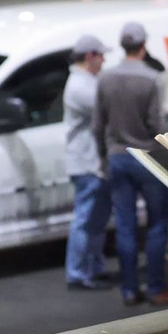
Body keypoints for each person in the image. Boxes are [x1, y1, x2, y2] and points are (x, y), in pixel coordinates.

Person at [93, 21, 168, 307]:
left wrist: (104, 157)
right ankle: (157, 287)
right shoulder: (151, 79)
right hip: (148, 159)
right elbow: (155, 125)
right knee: (157, 225)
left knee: (125, 226)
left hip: (118, 159)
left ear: (123, 45)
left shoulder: (105, 78)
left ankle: (129, 289)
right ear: (143, 46)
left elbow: (97, 125)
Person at [62, 34, 112, 291]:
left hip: (92, 163)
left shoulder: (87, 82)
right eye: (101, 55)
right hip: (86, 164)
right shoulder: (80, 87)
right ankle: (79, 272)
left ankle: (93, 268)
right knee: (86, 219)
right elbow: (107, 108)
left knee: (96, 221)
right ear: (90, 56)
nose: (104, 61)